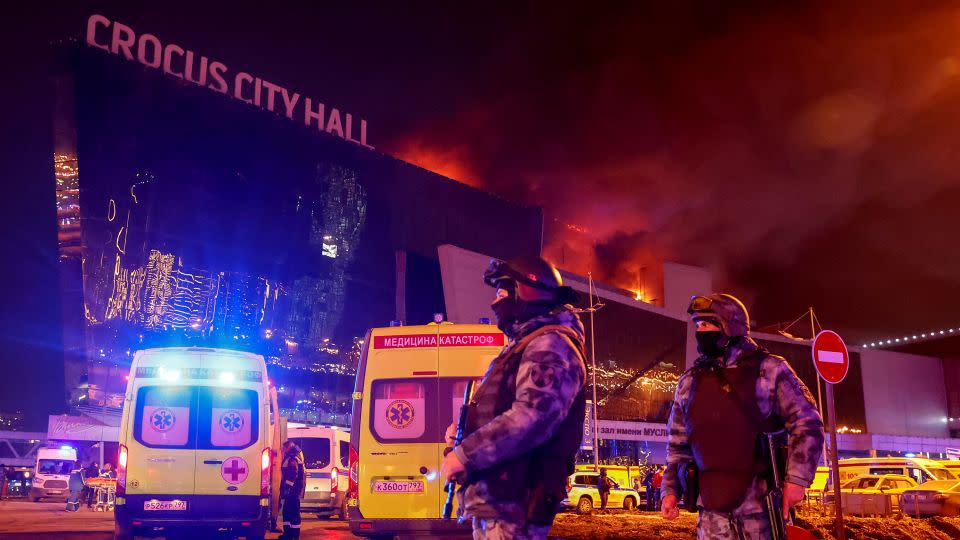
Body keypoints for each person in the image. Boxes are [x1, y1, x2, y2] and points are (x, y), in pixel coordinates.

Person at [441, 257, 586, 540]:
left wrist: (465, 454)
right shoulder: (522, 346)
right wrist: (465, 431)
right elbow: (501, 408)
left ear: (526, 293)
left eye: (502, 293)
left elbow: (532, 418)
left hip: (518, 502)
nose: (496, 302)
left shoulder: (551, 345)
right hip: (498, 501)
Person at [661, 294, 825, 539]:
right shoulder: (689, 381)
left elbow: (807, 422)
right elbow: (678, 445)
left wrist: (797, 479)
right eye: (697, 325)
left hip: (760, 507)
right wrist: (670, 490)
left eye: (706, 324)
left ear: (729, 327)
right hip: (712, 514)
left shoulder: (769, 370)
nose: (699, 331)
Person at [279, 440, 305, 539]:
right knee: (288, 511)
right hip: (294, 491)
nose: (283, 450)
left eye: (284, 448)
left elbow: (293, 474)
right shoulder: (294, 457)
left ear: (288, 448)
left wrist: (287, 488)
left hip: (292, 492)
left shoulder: (292, 459)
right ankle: (289, 534)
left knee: (291, 512)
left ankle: (292, 535)